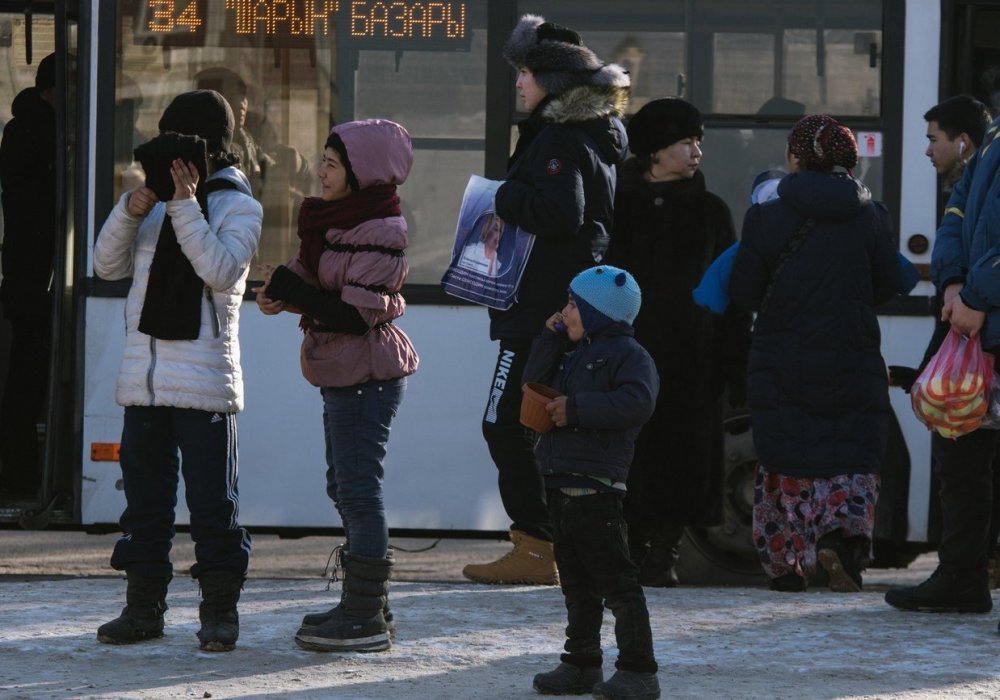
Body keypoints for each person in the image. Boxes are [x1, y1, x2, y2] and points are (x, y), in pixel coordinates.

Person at [462, 13, 630, 586]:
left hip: (539, 309)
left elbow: (562, 213)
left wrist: (502, 196)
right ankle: (552, 545)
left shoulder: (557, 138)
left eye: (526, 73)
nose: (518, 83)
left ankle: (535, 547)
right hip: (561, 304)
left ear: (552, 82)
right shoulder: (594, 135)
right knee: (537, 423)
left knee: (504, 423)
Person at [92, 90, 262, 650]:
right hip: (144, 383)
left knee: (214, 507)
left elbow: (219, 270)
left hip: (204, 385)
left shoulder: (238, 204)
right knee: (144, 506)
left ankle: (219, 613)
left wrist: (186, 206)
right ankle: (143, 610)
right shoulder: (155, 202)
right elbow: (105, 264)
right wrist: (131, 210)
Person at [253, 118, 418, 652]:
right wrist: (280, 293)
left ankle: (364, 616)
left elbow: (354, 317)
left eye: (331, 162)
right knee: (344, 487)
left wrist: (291, 290)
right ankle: (370, 605)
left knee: (358, 492)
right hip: (342, 370)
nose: (321, 171)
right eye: (322, 159)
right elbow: (307, 275)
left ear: (361, 171)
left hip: (366, 374)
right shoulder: (328, 219)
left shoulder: (382, 229)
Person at [729, 114, 901, 592]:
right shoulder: (871, 215)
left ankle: (787, 565)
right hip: (852, 356)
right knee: (850, 455)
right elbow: (887, 285)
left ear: (796, 158)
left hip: (780, 357)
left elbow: (744, 290)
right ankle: (839, 542)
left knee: (785, 457)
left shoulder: (766, 215)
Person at [604, 98, 751, 587]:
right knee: (630, 452)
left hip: (693, 358)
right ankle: (633, 544)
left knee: (684, 455)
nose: (695, 152)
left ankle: (664, 550)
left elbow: (729, 292)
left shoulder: (711, 211)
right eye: (685, 142)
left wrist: (733, 360)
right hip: (627, 353)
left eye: (698, 142)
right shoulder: (617, 208)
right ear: (654, 151)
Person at [522, 265, 660, 700]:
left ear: (598, 312)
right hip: (561, 483)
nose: (564, 312)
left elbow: (637, 402)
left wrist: (578, 409)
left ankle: (639, 669)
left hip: (597, 490)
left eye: (572, 305)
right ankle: (581, 662)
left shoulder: (629, 356)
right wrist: (549, 338)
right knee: (577, 584)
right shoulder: (571, 350)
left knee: (617, 583)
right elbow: (534, 384)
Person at [884, 107, 1000, 620]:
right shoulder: (990, 149)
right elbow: (955, 222)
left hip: (984, 315)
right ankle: (961, 575)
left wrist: (975, 293)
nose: (927, 149)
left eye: (933, 139)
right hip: (980, 320)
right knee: (962, 458)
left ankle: (963, 575)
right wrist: (953, 283)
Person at [0, 53, 57, 502]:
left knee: (27, 376)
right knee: (28, 379)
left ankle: (23, 475)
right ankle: (22, 478)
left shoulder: (23, 128)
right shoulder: (37, 134)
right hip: (35, 278)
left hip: (26, 274)